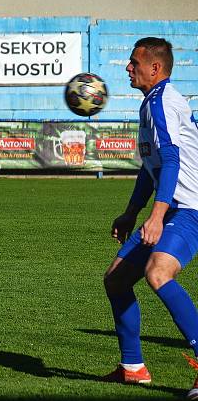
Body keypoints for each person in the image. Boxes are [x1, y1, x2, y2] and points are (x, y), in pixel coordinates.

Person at [102, 37, 198, 397]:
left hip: (190, 209)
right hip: (172, 208)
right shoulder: (151, 103)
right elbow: (151, 167)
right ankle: (132, 367)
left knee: (158, 272)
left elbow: (171, 161)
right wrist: (132, 212)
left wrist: (155, 217)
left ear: (154, 68)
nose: (128, 68)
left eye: (134, 63)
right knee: (116, 279)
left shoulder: (162, 102)